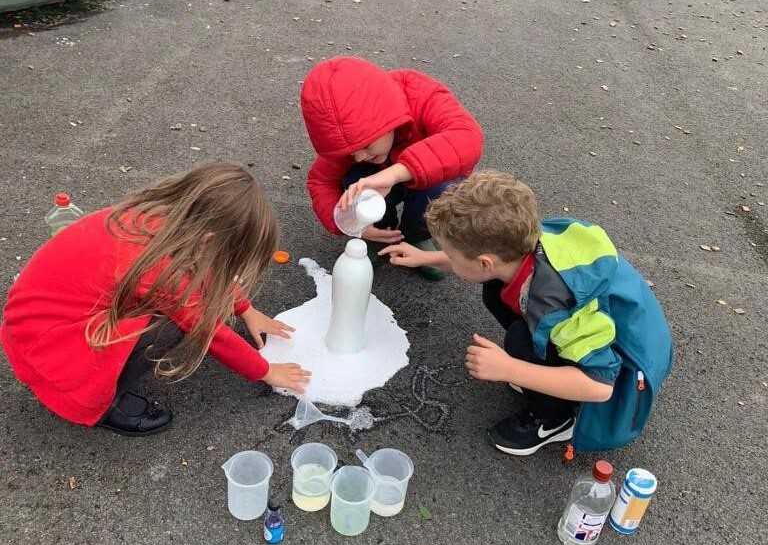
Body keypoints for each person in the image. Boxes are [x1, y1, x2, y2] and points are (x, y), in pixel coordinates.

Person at [0, 162, 310, 436]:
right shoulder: (160, 269)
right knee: (171, 327)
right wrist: (266, 370)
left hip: (33, 325)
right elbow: (209, 331)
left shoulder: (155, 220)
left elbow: (206, 268)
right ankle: (103, 402)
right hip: (47, 352)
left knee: (175, 307)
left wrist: (245, 308)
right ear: (209, 241)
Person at [380, 171, 674, 455]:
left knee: (520, 341)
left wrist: (509, 368)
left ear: (484, 262)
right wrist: (425, 256)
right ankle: (541, 372)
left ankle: (554, 419)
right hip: (616, 334)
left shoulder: (556, 305)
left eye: (450, 255)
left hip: (623, 376)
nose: (448, 259)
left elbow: (600, 385)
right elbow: (480, 262)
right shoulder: (529, 242)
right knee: (495, 291)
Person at [300, 56, 483, 280]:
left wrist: (396, 173)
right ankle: (379, 230)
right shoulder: (345, 139)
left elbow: (467, 138)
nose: (359, 156)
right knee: (351, 181)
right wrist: (352, 226)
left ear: (386, 119)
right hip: (379, 184)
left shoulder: (420, 94)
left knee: (444, 190)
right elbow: (320, 181)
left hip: (427, 179)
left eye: (366, 145)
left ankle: (415, 236)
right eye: (350, 152)